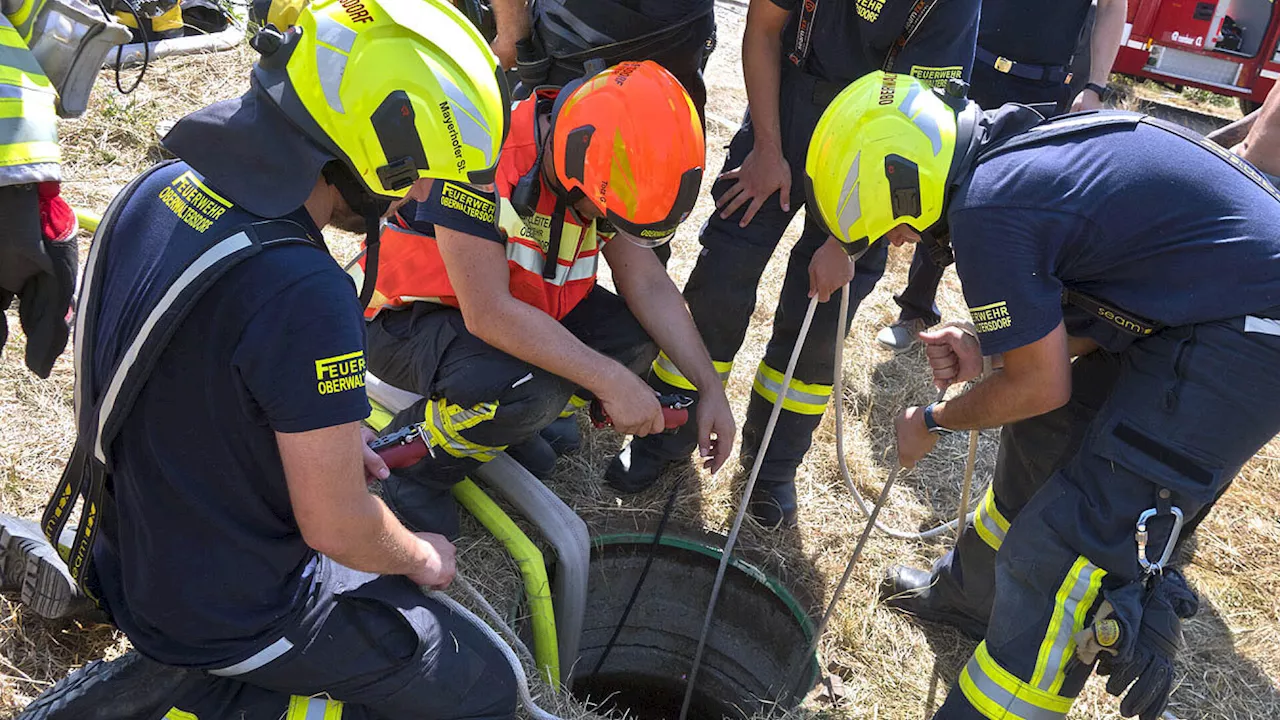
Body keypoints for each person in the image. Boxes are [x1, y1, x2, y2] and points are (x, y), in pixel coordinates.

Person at [7, 1, 521, 718]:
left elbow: (188, 384)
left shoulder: (160, 185)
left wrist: (330, 443)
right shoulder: (303, 287)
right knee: (484, 684)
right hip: (220, 611)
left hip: (124, 547)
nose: (421, 197)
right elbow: (338, 528)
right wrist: (420, 554)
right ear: (377, 149)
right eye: (418, 175)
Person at [809, 70, 1280, 720]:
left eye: (886, 228)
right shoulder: (1009, 155)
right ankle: (968, 599)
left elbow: (1038, 382)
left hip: (1250, 331)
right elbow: (1105, 300)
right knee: (1046, 441)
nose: (895, 244)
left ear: (903, 185)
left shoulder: (986, 210)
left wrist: (934, 419)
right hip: (1203, 306)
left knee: (1071, 544)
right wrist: (984, 345)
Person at [605, 0, 980, 527]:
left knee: (818, 321)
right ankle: (668, 434)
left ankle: (770, 467)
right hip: (787, 98)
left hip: (879, 142)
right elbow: (762, 28)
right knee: (721, 277)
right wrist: (766, 148)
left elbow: (923, 116)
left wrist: (847, 242)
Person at [362, 59, 736, 536]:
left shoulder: (600, 160)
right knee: (533, 388)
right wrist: (610, 382)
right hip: (407, 318)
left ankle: (506, 429)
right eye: (604, 216)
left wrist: (710, 389)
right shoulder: (482, 159)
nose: (607, 229)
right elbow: (489, 314)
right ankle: (413, 471)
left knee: (631, 341)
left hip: (515, 310)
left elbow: (647, 284)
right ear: (578, 166)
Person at [877, 0, 1129, 352]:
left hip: (1042, 89)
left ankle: (1003, 337)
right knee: (940, 188)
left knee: (1018, 214)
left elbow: (1113, 9)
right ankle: (916, 310)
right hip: (971, 65)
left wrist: (1095, 87)